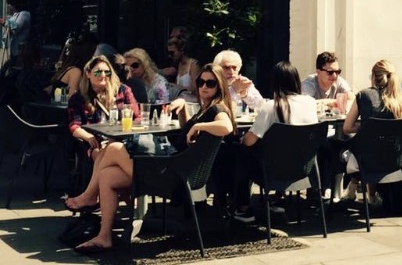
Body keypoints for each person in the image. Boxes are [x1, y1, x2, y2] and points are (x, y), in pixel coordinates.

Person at [65, 63, 235, 254]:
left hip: (176, 177)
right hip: (176, 168)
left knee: (113, 148)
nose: (204, 86)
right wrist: (183, 110)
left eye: (210, 83)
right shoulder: (205, 109)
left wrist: (198, 127)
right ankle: (105, 237)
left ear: (220, 86)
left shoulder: (217, 108)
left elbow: (227, 126)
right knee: (107, 175)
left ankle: (88, 196)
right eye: (201, 82)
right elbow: (186, 135)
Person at [233, 61, 317, 223]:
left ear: (274, 83)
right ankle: (279, 198)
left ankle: (243, 207)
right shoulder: (310, 103)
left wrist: (241, 138)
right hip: (304, 168)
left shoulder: (272, 106)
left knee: (240, 152)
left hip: (273, 171)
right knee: (284, 147)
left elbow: (249, 141)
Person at [342, 59, 402, 206]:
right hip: (396, 159)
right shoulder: (399, 97)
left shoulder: (363, 95)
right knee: (372, 145)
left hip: (369, 160)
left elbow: (347, 127)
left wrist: (367, 128)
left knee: (360, 146)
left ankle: (357, 191)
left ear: (373, 76)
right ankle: (368, 195)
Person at [66, 56, 140, 159]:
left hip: (122, 141)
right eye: (98, 72)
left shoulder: (123, 91)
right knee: (112, 155)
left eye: (107, 72)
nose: (103, 75)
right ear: (88, 73)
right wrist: (89, 137)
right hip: (96, 143)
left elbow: (138, 118)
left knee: (114, 152)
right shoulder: (78, 98)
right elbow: (74, 126)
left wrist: (125, 131)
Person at [47, 32, 99, 97]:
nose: (94, 57)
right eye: (93, 53)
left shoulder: (67, 68)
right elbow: (71, 98)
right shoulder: (75, 72)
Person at [161, 36, 199, 100]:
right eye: (169, 53)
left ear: (181, 50)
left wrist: (177, 87)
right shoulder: (178, 64)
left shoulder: (193, 64)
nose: (170, 56)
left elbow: (195, 88)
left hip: (192, 101)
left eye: (172, 53)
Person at [0, 0, 31, 66]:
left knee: (9, 66)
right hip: (14, 49)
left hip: (20, 49)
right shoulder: (17, 14)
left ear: (16, 4)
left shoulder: (24, 14)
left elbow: (16, 28)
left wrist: (4, 22)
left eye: (10, 4)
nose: (9, 6)